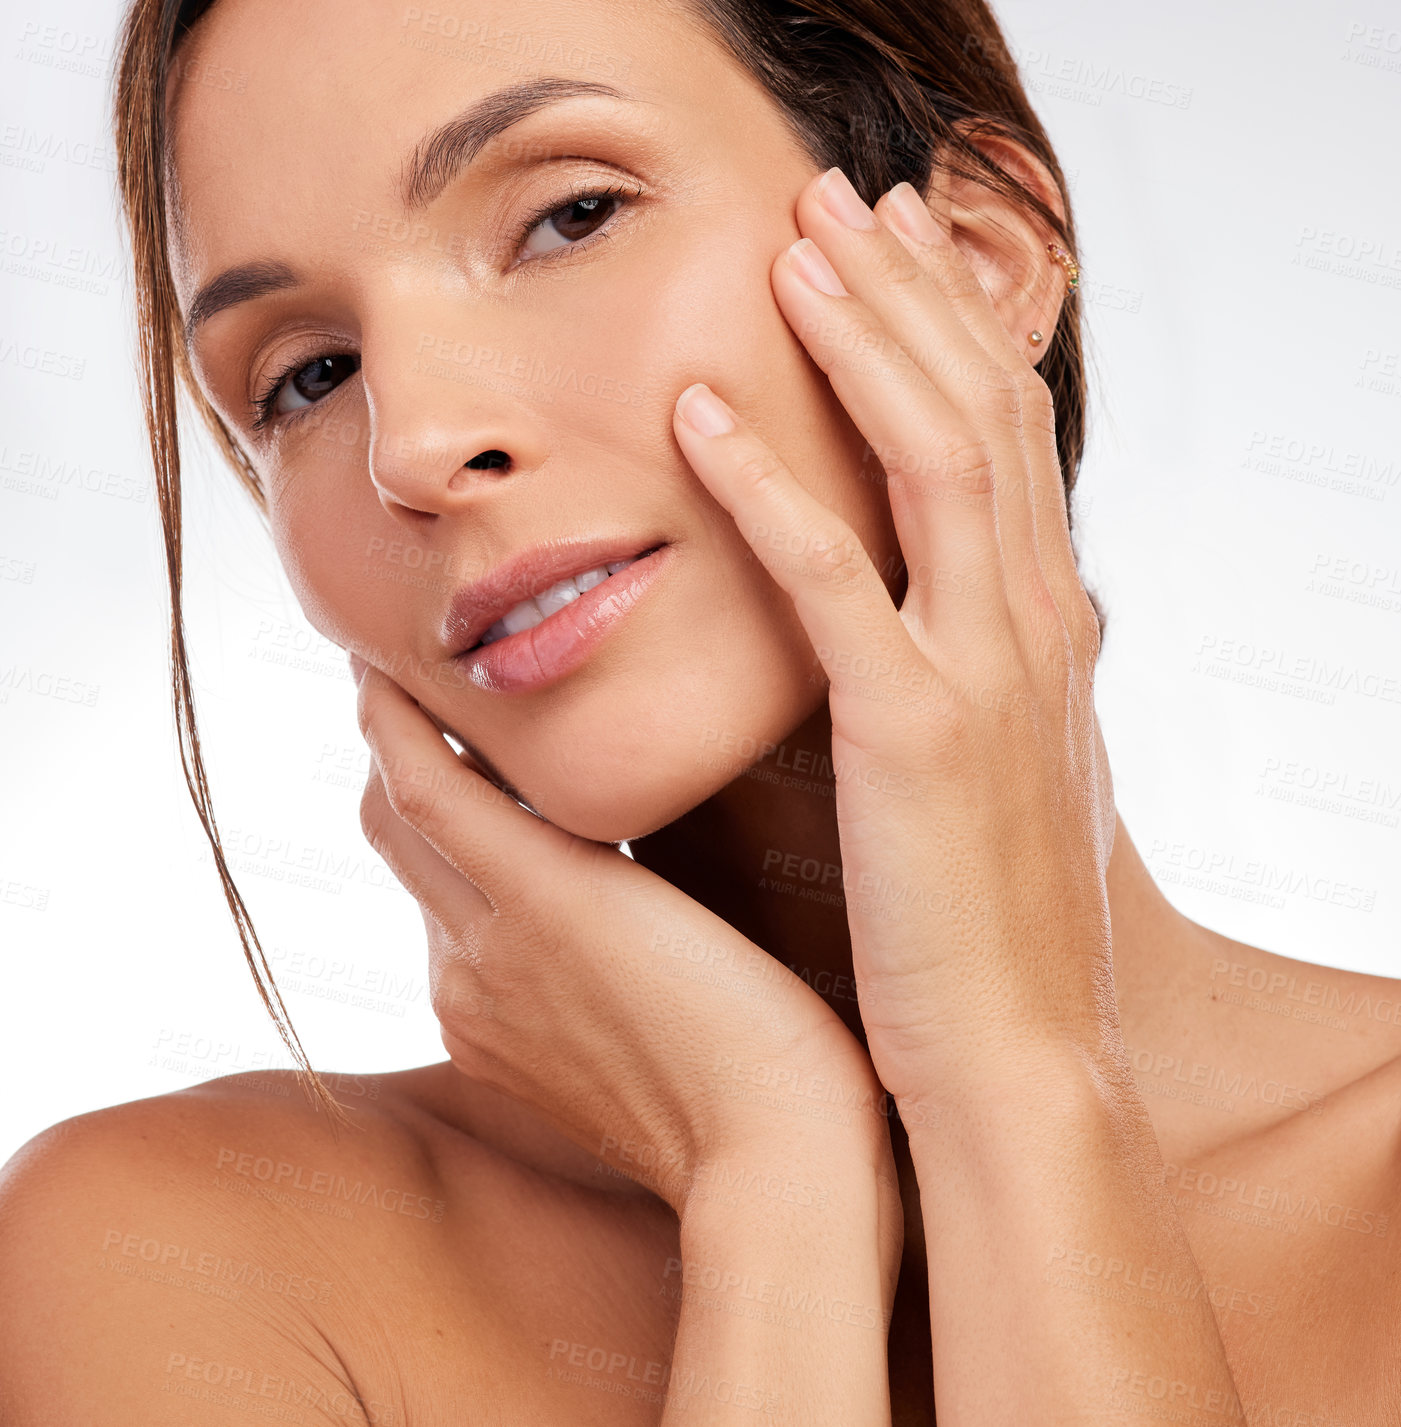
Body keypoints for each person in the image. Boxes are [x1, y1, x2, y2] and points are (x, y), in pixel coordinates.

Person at [2, 0, 1397, 1421]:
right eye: (310, 374)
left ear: (969, 264)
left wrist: (1008, 1076)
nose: (412, 445)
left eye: (569, 216)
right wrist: (770, 1172)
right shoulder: (183, 1257)